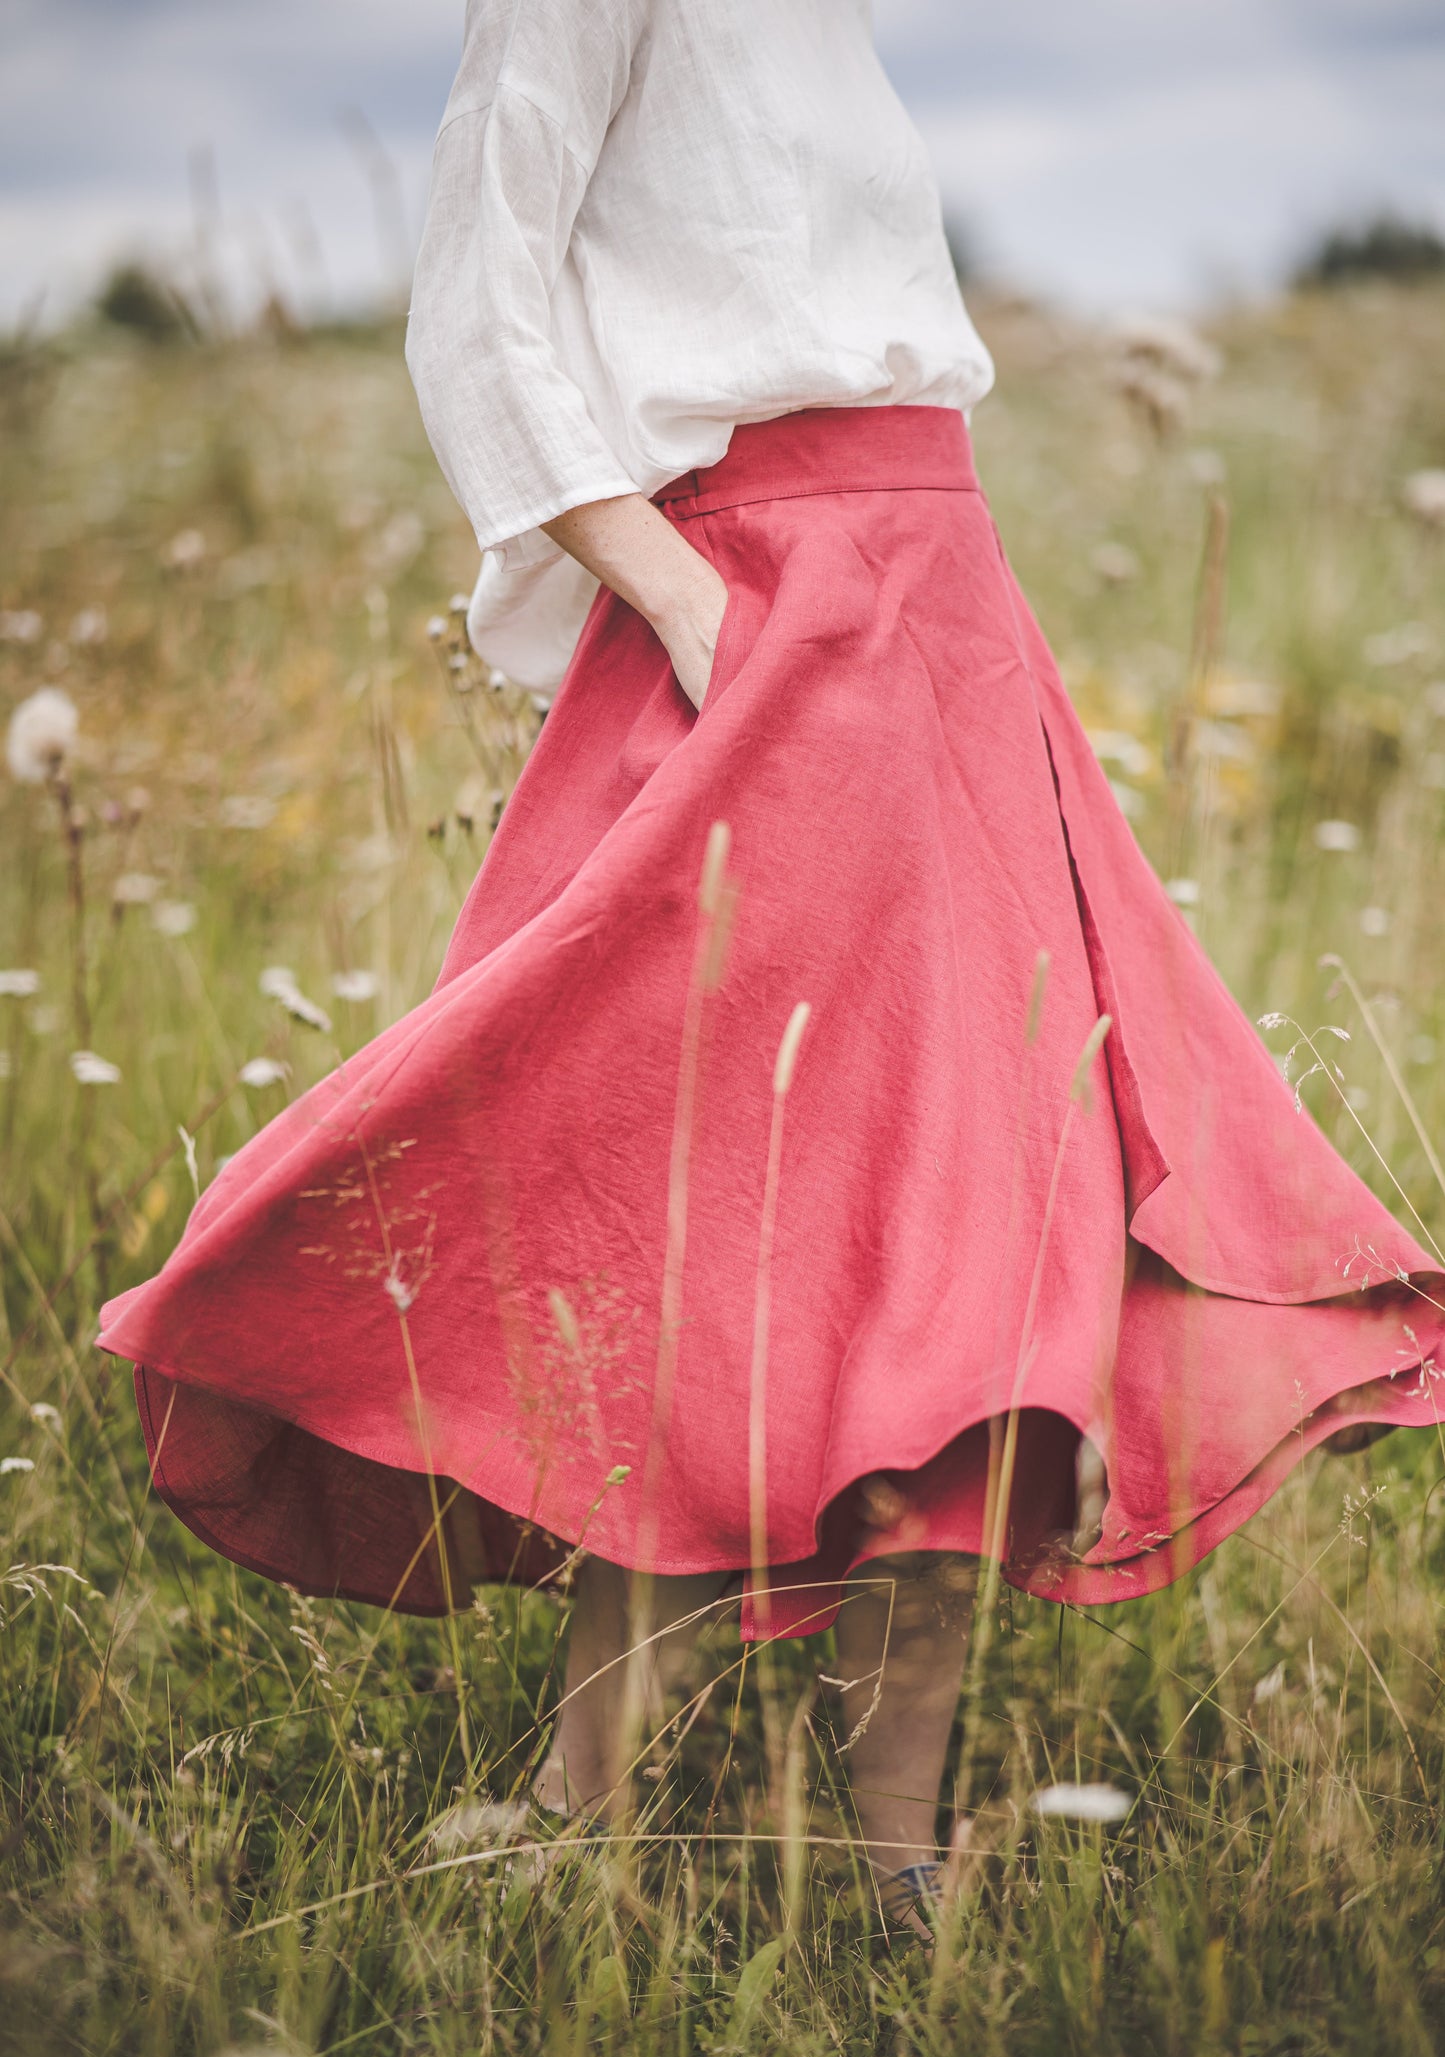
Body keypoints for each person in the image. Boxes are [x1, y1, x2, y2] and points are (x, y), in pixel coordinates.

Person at [97, 0, 1443, 1935]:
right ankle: (574, 1832)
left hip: (942, 608)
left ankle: (896, 1866)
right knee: (709, 1254)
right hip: (763, 615)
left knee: (970, 1250)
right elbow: (478, 300)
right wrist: (685, 599)